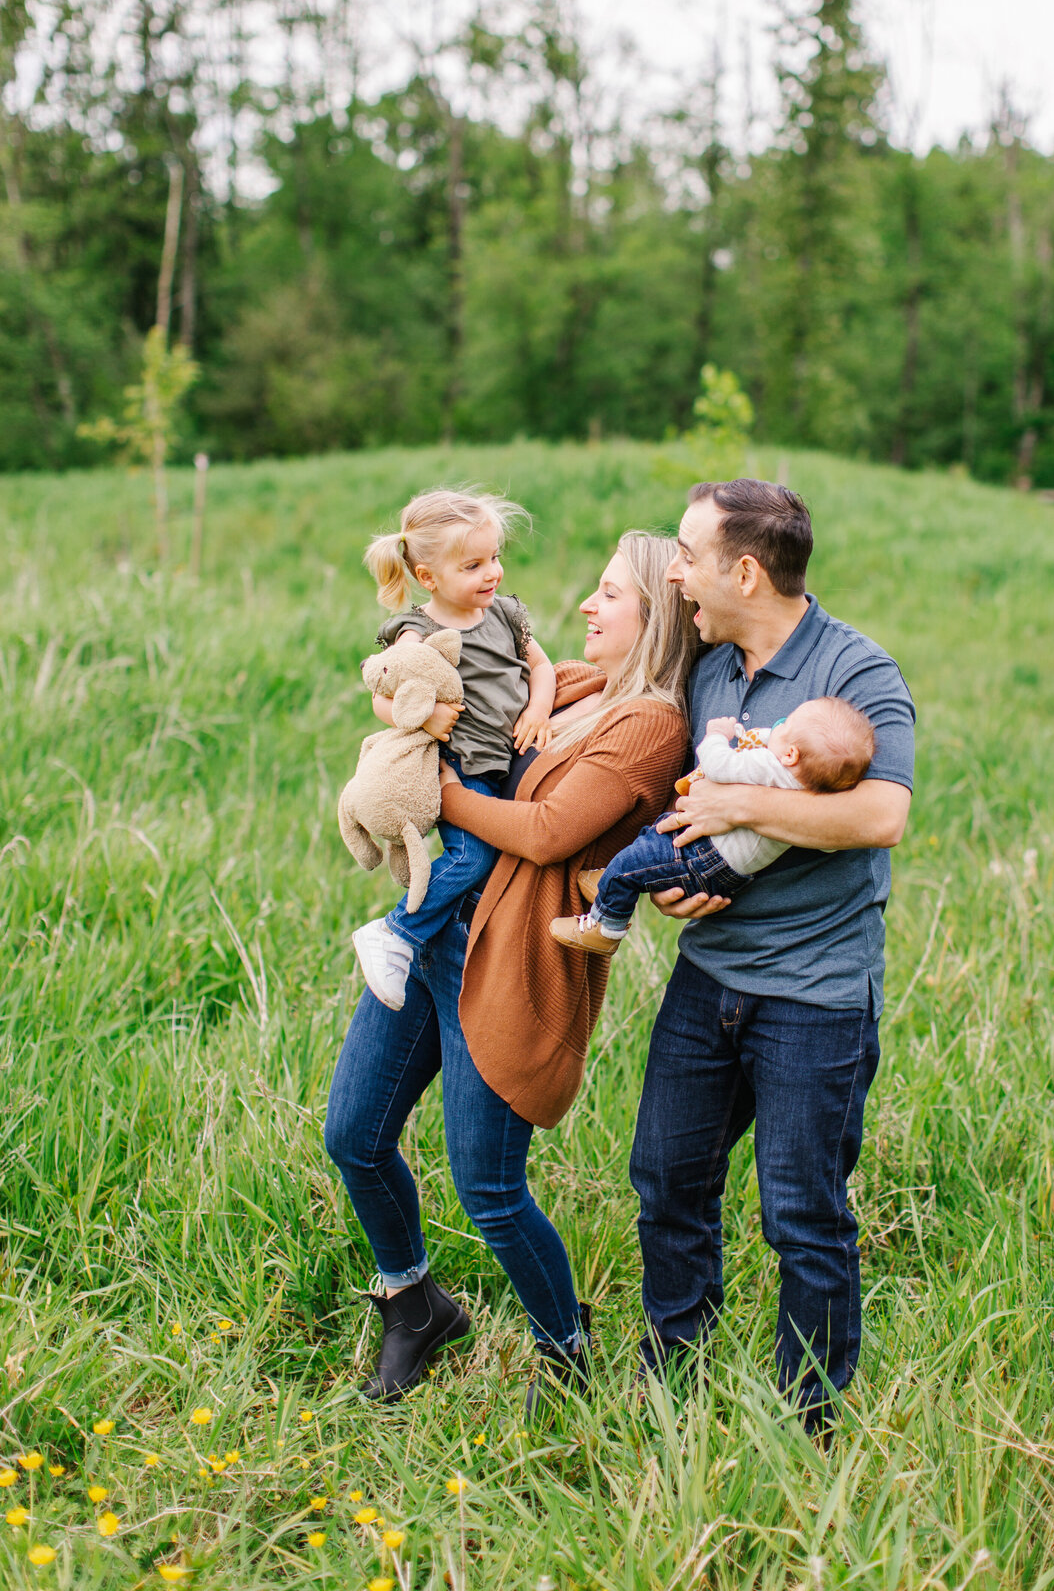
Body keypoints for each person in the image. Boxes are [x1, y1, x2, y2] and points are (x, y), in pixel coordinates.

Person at [323, 531, 694, 1412]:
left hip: (513, 960)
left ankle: (563, 1346)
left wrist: (430, 795)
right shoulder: (577, 683)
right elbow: (454, 700)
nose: (587, 607)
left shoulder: (651, 723)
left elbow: (547, 833)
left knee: (490, 1190)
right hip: (439, 933)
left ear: (657, 613)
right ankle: (414, 1305)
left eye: (609, 595)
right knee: (354, 1136)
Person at [629, 478, 915, 1431]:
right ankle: (674, 1376)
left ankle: (810, 1421)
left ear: (744, 570)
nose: (676, 572)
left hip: (815, 996)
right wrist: (681, 880)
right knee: (669, 1182)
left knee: (802, 1215)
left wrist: (741, 806)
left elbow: (882, 814)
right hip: (709, 974)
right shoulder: (711, 664)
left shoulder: (857, 669)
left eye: (687, 552)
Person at [350, 487, 558, 1012]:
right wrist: (427, 714)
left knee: (496, 864)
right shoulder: (418, 630)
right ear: (429, 578)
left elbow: (542, 666)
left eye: (494, 558)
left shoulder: (506, 616)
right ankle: (398, 932)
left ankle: (444, 940)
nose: (493, 573)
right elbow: (383, 694)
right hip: (460, 767)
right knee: (474, 857)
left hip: (507, 761)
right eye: (473, 565)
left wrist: (536, 710)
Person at [549, 698, 876, 955]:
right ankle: (614, 883)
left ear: (791, 754)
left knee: (634, 861)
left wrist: (717, 735)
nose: (777, 725)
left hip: (706, 855)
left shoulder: (771, 767)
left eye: (785, 724)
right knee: (654, 839)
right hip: (724, 865)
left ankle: (606, 926)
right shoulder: (806, 786)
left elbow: (720, 765)